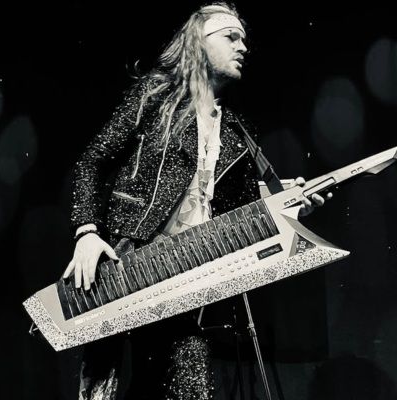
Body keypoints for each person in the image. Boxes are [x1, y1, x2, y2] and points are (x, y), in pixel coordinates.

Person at [63, 3, 330, 399]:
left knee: (185, 374)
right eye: (231, 37)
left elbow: (237, 209)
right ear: (199, 44)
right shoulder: (155, 97)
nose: (243, 47)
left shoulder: (237, 130)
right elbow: (92, 162)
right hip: (129, 262)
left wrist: (287, 203)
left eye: (244, 40)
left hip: (187, 275)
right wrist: (86, 232)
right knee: (104, 385)